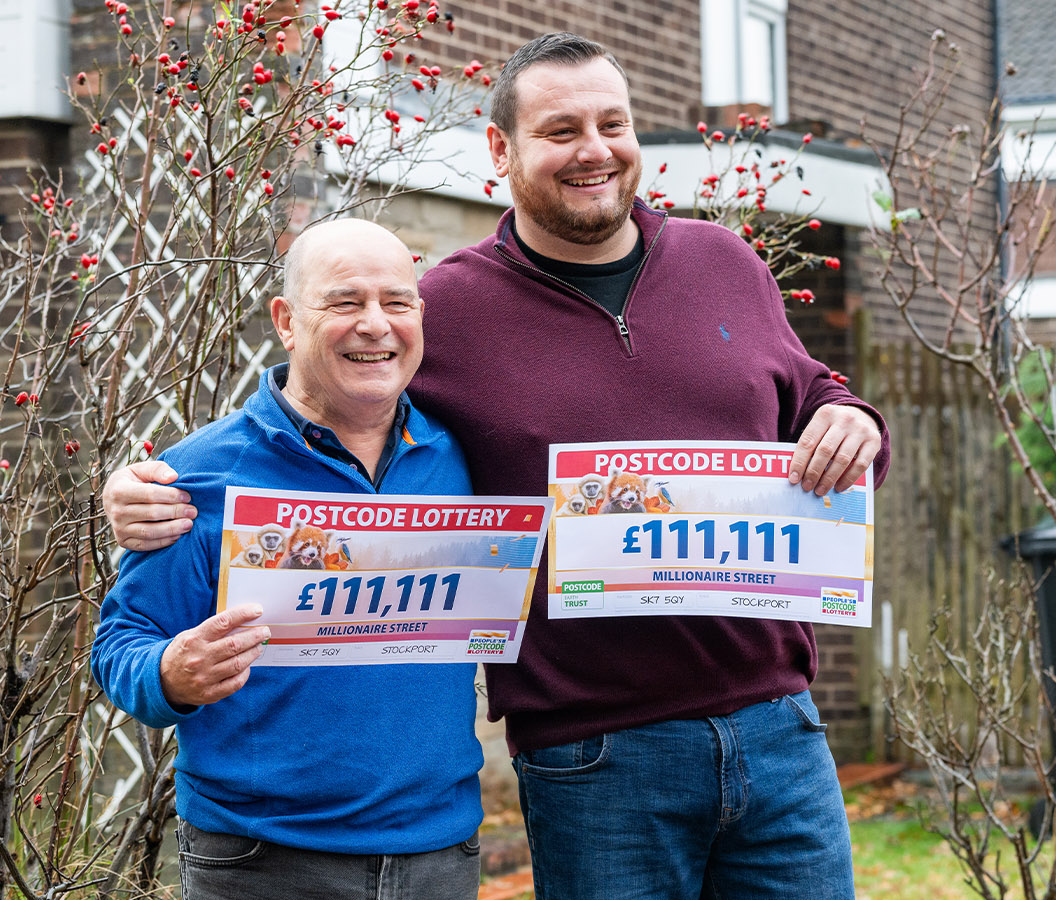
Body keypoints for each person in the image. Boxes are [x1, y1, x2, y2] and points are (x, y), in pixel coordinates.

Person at [104, 33, 890, 900]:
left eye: (611, 124)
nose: (594, 150)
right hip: (598, 755)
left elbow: (814, 392)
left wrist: (849, 420)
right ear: (500, 150)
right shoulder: (440, 311)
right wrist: (147, 485)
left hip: (781, 729)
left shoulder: (727, 264)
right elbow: (321, 415)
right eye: (560, 130)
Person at [91, 219, 483, 900]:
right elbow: (120, 648)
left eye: (396, 302)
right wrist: (171, 673)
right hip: (262, 861)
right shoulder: (198, 478)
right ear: (286, 321)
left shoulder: (467, 457)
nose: (375, 325)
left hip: (440, 852)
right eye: (343, 302)